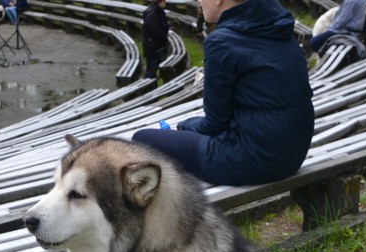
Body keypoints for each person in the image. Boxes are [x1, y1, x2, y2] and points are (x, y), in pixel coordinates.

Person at [131, 0, 314, 186]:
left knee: (141, 138)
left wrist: (184, 125)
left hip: (252, 162)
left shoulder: (221, 42)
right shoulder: (278, 25)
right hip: (292, 156)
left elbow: (214, 124)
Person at [142, 0, 170, 80]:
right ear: (160, 2)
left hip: (154, 45)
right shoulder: (154, 13)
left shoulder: (157, 11)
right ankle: (147, 87)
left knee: (153, 68)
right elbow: (156, 30)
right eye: (164, 1)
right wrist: (164, 37)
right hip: (153, 47)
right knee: (151, 69)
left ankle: (151, 86)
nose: (165, 2)